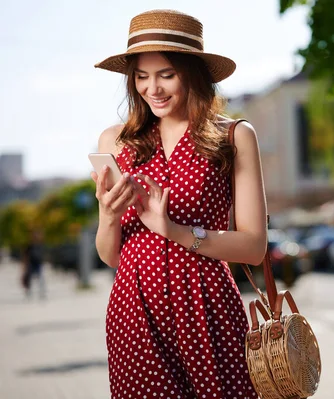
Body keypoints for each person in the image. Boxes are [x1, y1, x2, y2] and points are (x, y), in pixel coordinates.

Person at [92, 9, 267, 398]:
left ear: (193, 73)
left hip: (208, 308)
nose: (152, 88)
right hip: (134, 310)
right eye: (141, 76)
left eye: (165, 75)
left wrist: (174, 231)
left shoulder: (234, 135)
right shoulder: (114, 142)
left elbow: (254, 246)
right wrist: (107, 217)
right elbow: (111, 256)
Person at [21, 230, 46, 300]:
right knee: (30, 279)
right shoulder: (30, 246)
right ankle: (29, 291)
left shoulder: (40, 245)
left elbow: (42, 254)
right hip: (31, 264)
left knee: (40, 279)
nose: (36, 237)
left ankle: (41, 292)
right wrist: (24, 265)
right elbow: (25, 256)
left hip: (38, 264)